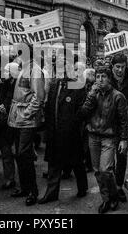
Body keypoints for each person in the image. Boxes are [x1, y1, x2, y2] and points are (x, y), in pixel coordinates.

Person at [38, 50, 88, 204]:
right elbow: (50, 106)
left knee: (76, 162)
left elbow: (82, 111)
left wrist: (72, 125)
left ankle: (83, 187)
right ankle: (51, 193)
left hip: (70, 133)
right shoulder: (54, 83)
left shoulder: (78, 84)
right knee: (53, 163)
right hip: (54, 131)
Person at [79, 66, 128, 214]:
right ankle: (106, 199)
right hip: (93, 135)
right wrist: (91, 95)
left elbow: (124, 121)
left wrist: (124, 139)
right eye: (98, 76)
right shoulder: (93, 93)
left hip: (109, 137)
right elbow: (83, 112)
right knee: (97, 171)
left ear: (109, 78)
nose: (100, 80)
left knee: (106, 170)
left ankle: (114, 196)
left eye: (103, 76)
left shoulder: (118, 96)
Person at [8, 45, 46, 206]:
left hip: (27, 120)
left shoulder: (35, 70)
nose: (16, 55)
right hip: (17, 118)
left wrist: (27, 114)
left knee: (24, 154)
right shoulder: (24, 68)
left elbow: (38, 97)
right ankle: (24, 187)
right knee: (19, 154)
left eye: (19, 53)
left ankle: (32, 191)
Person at [111, 53, 128, 203]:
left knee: (121, 157)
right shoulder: (106, 78)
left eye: (123, 67)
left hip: (124, 125)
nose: (120, 70)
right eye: (117, 67)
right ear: (112, 66)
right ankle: (110, 188)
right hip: (108, 125)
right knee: (108, 159)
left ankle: (119, 186)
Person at [0, 63, 21, 190]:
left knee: (19, 152)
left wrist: (6, 106)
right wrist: (0, 106)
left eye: (7, 71)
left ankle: (23, 179)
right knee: (6, 152)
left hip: (18, 121)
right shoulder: (0, 86)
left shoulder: (20, 85)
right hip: (4, 123)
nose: (4, 72)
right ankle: (9, 178)